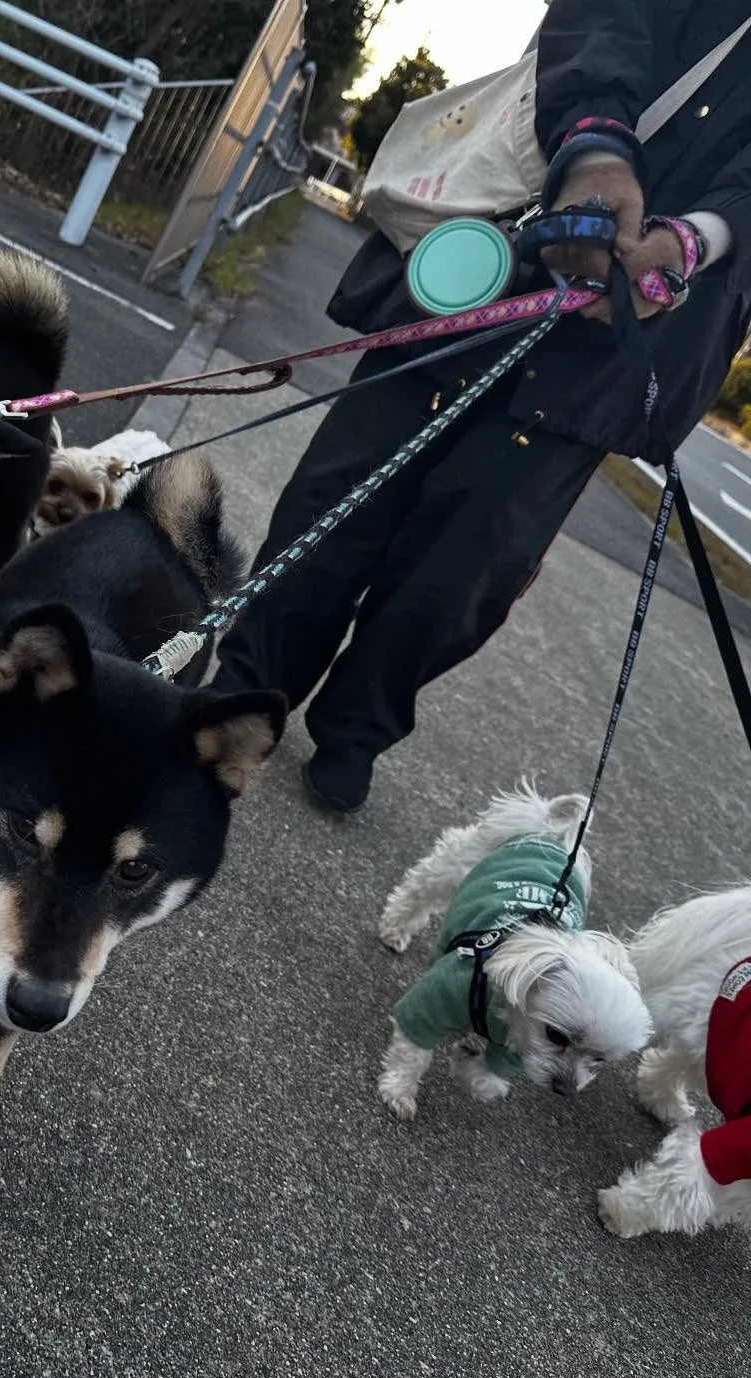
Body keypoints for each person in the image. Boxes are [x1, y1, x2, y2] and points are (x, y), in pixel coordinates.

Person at [210, 0, 751, 813]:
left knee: (470, 565)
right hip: (505, 247)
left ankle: (360, 724)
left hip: (638, 334)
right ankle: (249, 687)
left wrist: (696, 240)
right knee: (340, 492)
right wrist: (596, 146)